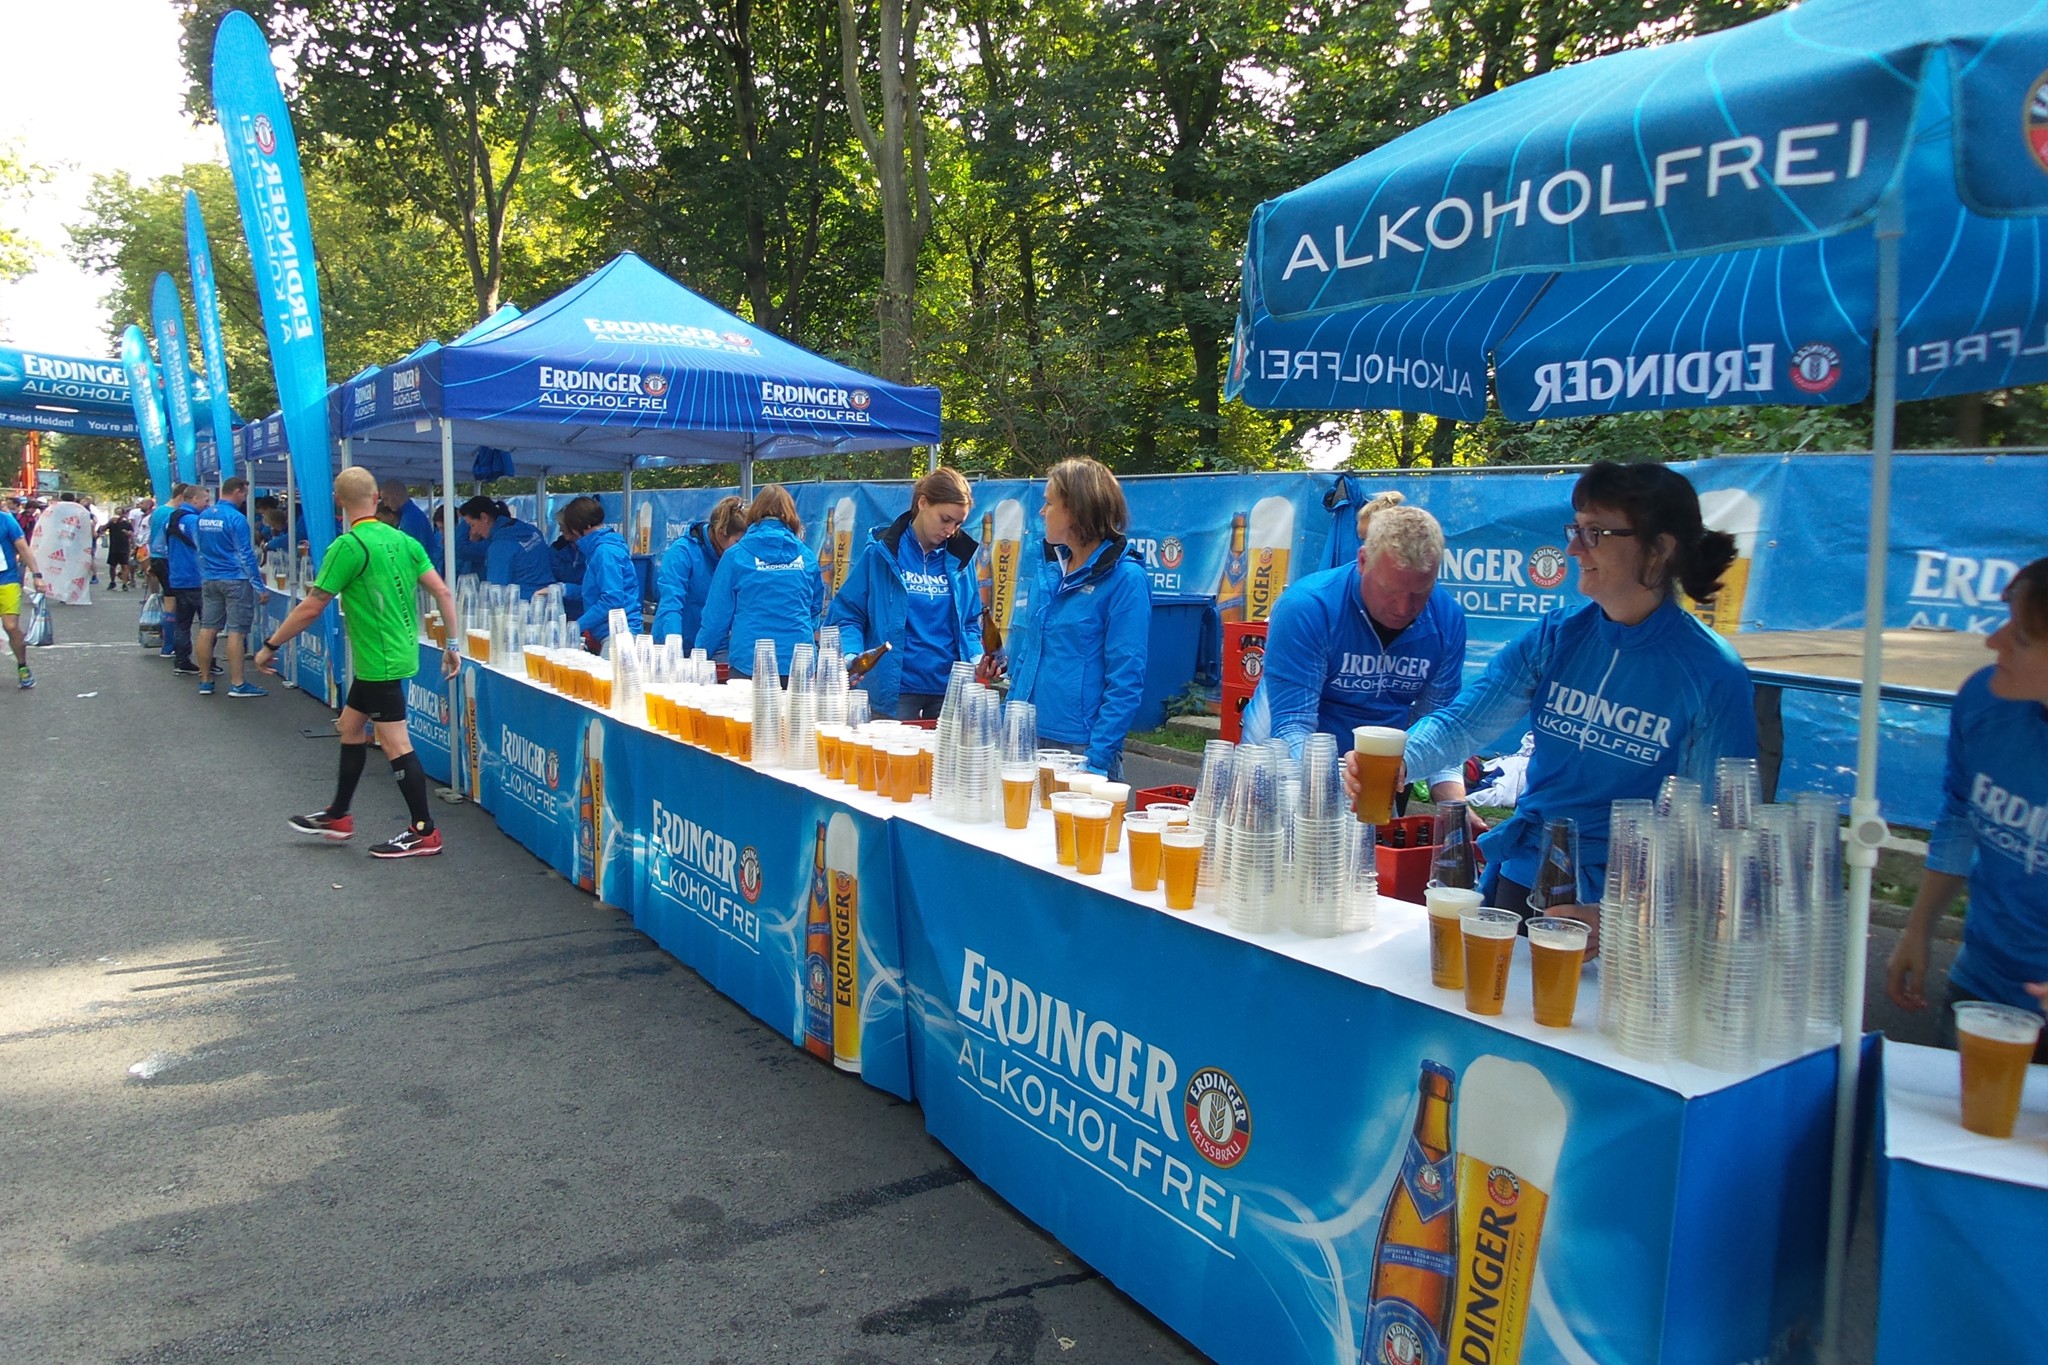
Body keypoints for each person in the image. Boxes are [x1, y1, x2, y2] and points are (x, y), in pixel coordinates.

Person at [1350, 460, 1757, 923]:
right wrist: (1399, 762)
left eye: (1595, 533)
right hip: (1523, 873)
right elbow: (1463, 723)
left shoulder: (1711, 673)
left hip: (1626, 907)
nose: (1573, 548)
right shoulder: (1559, 635)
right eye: (1576, 529)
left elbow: (1722, 830)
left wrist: (1617, 921)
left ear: (1658, 549)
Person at [1887, 557, 2048, 1059]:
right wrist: (1918, 927)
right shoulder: (1984, 701)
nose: (1992, 641)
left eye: (2020, 637)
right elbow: (1959, 816)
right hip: (1982, 985)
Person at [255, 465, 460, 858]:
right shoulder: (402, 540)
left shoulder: (348, 547)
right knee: (350, 726)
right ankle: (338, 815)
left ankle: (424, 831)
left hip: (380, 660)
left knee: (396, 743)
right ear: (377, 496)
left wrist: (270, 643)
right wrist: (452, 643)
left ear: (338, 501)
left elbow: (313, 607)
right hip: (389, 654)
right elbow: (443, 593)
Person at [1243, 491, 1469, 805]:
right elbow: (1291, 724)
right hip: (1287, 766)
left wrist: (1454, 809)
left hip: (1378, 771)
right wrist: (1336, 783)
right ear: (1363, 561)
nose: (1403, 608)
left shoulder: (1447, 619)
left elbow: (1437, 728)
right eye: (1390, 590)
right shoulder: (1308, 607)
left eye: (1420, 592)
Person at [1004, 458, 1152, 779]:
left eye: (1049, 503)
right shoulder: (1050, 569)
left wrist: (1096, 761)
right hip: (1025, 737)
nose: (1042, 512)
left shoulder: (1126, 579)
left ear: (1076, 510)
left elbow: (1125, 680)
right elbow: (1028, 656)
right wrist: (1010, 720)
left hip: (1079, 749)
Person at [825, 469, 987, 719]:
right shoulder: (880, 553)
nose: (950, 530)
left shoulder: (961, 559)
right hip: (894, 692)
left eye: (958, 523)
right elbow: (848, 614)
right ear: (922, 502)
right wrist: (851, 655)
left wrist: (978, 657)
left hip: (949, 691)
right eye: (945, 519)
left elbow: (969, 623)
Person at [697, 485, 823, 678]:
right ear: (791, 515)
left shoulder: (735, 557)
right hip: (799, 664)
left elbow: (716, 619)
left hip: (749, 663)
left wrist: (698, 658)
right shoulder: (807, 557)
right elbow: (814, 609)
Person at [193, 476, 269, 698]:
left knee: (208, 628)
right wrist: (259, 586)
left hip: (210, 577)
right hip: (235, 578)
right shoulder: (236, 518)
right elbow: (245, 554)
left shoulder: (203, 516)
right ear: (236, 491)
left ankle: (205, 680)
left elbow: (199, 547)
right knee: (237, 631)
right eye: (244, 493)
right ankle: (237, 682)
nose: (245, 497)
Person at [652, 495, 746, 651]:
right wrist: (674, 650)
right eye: (737, 542)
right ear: (721, 532)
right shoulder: (681, 553)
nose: (741, 549)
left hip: (716, 645)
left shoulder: (737, 558)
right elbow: (671, 604)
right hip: (676, 642)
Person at [557, 495, 640, 650]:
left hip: (618, 636)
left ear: (578, 527)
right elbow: (594, 591)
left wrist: (576, 627)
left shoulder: (604, 552)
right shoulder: (599, 549)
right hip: (612, 634)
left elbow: (612, 600)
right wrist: (563, 589)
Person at [457, 495, 555, 599]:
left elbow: (496, 593)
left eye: (472, 525)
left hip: (523, 606)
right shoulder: (532, 530)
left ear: (484, 518)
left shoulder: (499, 547)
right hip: (550, 599)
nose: (473, 532)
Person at [164, 484, 212, 675]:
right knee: (207, 625)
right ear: (195, 500)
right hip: (195, 576)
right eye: (206, 500)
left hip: (177, 576)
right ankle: (207, 662)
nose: (208, 505)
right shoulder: (194, 520)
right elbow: (203, 546)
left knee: (182, 623)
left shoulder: (172, 518)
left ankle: (182, 660)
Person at [1, 499, 43, 689]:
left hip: (6, 580)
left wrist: (37, 575)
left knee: (10, 626)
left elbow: (23, 548)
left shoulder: (6, 520)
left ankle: (22, 665)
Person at [379, 478, 444, 570]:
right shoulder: (411, 514)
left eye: (386, 499)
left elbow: (410, 555)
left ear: (396, 494)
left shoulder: (410, 519)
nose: (385, 504)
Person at [99, 506, 135, 592]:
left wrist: (128, 534)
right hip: (114, 547)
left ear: (123, 514)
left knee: (124, 565)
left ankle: (124, 583)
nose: (118, 515)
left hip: (124, 547)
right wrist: (109, 522)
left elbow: (131, 533)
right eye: (117, 513)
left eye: (120, 513)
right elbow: (101, 529)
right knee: (112, 566)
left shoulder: (126, 523)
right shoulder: (112, 523)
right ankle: (112, 581)